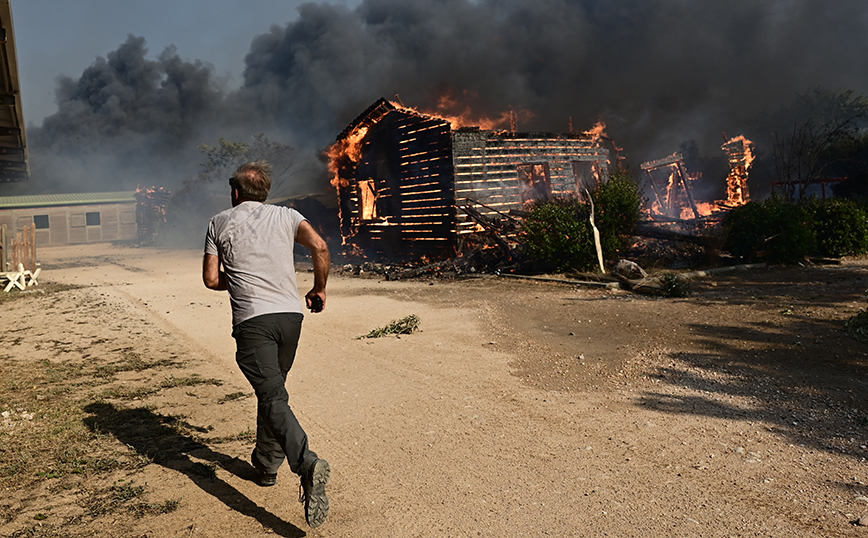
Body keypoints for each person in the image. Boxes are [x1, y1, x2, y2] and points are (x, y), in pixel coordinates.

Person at [202, 160, 331, 528]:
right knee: (272, 392)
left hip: (253, 322)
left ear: (235, 192)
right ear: (265, 192)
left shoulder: (218, 222)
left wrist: (243, 279)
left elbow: (211, 279)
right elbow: (321, 247)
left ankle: (306, 463)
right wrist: (319, 288)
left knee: (272, 396)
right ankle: (266, 466)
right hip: (290, 318)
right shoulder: (288, 216)